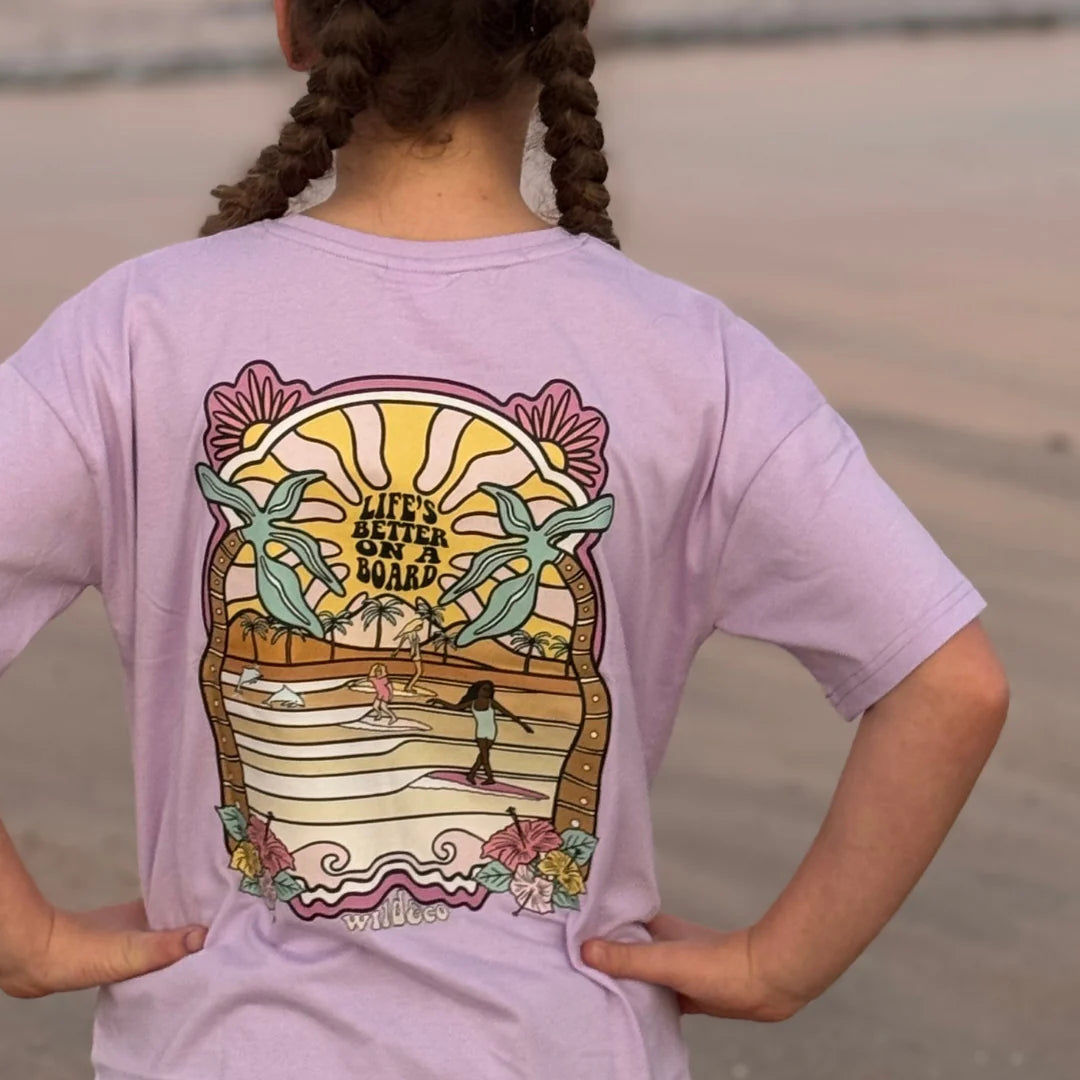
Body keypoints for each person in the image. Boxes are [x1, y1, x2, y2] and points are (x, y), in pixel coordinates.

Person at [0, 1, 1010, 1079]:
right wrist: (780, 964)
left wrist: (26, 939)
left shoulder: (140, 328)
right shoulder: (689, 357)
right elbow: (951, 686)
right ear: (565, 31)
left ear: (295, 26)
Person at [434, 679, 536, 785]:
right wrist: (439, 701)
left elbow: (508, 713)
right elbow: (455, 707)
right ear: (478, 690)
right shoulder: (472, 703)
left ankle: (473, 775)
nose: (487, 692)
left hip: (491, 731)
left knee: (483, 755)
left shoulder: (491, 703)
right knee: (484, 756)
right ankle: (487, 777)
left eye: (489, 690)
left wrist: (523, 725)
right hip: (481, 732)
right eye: (484, 689)